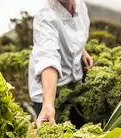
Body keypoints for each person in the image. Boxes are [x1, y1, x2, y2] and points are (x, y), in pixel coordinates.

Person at [28, 0, 94, 128]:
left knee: (79, 127)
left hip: (73, 81)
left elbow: (74, 35)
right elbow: (48, 56)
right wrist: (48, 104)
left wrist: (82, 51)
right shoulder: (45, 15)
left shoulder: (80, 6)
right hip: (48, 89)